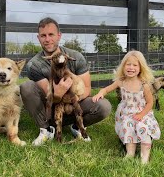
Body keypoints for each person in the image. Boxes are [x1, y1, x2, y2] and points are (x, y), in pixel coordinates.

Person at [20, 17, 112, 146]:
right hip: (49, 108)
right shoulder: (34, 65)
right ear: (38, 38)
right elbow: (50, 95)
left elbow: (86, 88)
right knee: (26, 86)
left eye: (51, 34)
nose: (47, 39)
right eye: (43, 35)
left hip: (73, 101)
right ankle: (46, 129)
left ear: (59, 35)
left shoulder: (76, 57)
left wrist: (71, 99)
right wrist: (58, 94)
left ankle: (77, 125)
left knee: (103, 106)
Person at [92, 50, 161, 164]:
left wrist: (141, 114)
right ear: (123, 66)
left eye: (135, 65)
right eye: (128, 64)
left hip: (142, 112)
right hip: (127, 113)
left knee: (142, 127)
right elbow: (106, 89)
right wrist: (100, 93)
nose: (131, 67)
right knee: (128, 126)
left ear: (140, 68)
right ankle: (130, 153)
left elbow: (149, 103)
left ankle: (145, 156)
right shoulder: (121, 81)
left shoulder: (144, 85)